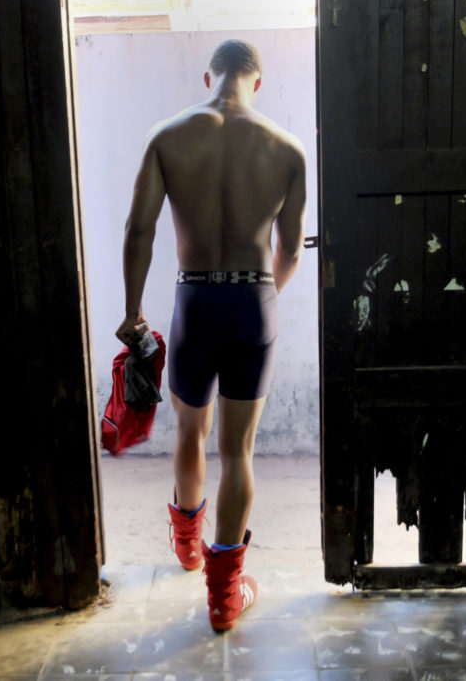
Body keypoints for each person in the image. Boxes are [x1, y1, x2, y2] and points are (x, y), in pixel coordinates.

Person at [115, 39, 306, 631]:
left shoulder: (168, 136)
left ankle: (188, 547)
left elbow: (138, 229)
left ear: (209, 76)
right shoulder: (287, 149)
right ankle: (225, 600)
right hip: (252, 299)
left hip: (193, 299)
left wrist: (132, 311)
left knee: (191, 433)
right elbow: (292, 250)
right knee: (238, 450)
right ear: (259, 79)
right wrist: (258, 296)